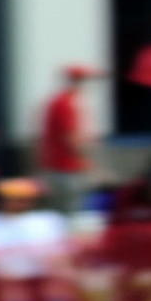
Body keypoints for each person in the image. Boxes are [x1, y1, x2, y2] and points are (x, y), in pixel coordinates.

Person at [38, 65, 105, 215]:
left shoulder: (60, 101)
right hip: (67, 169)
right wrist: (89, 165)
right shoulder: (66, 103)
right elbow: (71, 139)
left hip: (61, 168)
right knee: (70, 215)